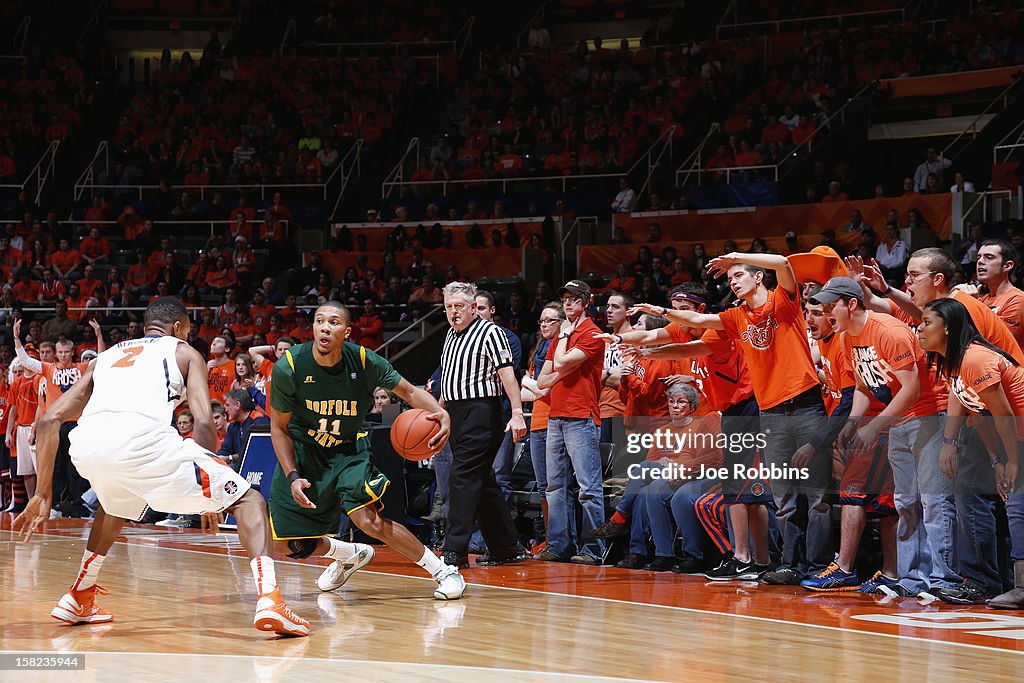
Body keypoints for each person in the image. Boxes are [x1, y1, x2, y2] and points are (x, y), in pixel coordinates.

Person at [13, 297, 309, 636]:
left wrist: (42, 494)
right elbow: (203, 422)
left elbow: (50, 420)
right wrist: (207, 470)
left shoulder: (106, 357)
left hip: (87, 446)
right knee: (249, 500)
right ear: (179, 327)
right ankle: (270, 599)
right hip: (141, 441)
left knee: (112, 506)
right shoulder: (184, 352)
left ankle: (80, 594)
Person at [630, 252, 829, 583]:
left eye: (739, 275)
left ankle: (819, 566)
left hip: (804, 403)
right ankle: (791, 566)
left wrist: (735, 256)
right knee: (784, 497)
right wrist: (660, 313)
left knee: (816, 496)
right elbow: (697, 327)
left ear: (758, 277)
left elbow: (782, 262)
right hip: (770, 410)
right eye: (730, 278)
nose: (733, 281)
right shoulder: (737, 317)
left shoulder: (784, 301)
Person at [266, 301, 466, 600]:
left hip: (348, 450)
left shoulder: (363, 360)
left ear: (346, 331)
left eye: (333, 322)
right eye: (320, 321)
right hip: (306, 452)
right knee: (284, 544)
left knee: (368, 520)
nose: (325, 327)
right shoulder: (290, 366)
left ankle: (444, 571)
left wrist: (441, 412)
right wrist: (292, 474)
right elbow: (279, 428)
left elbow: (409, 392)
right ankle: (349, 554)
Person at [916, 297, 1024, 609]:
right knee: (1012, 506)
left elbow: (1003, 414)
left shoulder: (975, 359)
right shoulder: (955, 363)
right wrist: (997, 460)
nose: (919, 329)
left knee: (1016, 508)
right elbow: (978, 413)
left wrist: (1013, 460)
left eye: (926, 323)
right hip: (1010, 441)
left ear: (947, 328)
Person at [439, 282, 529, 568]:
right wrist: (439, 413)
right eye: (449, 307)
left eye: (459, 306)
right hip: (455, 411)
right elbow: (449, 378)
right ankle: (505, 546)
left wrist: (517, 412)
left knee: (462, 477)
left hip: (481, 411)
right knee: (482, 481)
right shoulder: (450, 335)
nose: (454, 312)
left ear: (472, 306)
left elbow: (508, 376)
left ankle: (455, 550)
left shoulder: (490, 333)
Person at [535, 280, 607, 565]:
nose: (568, 303)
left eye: (574, 299)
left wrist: (564, 340)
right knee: (555, 487)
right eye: (564, 298)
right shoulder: (560, 337)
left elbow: (561, 364)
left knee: (588, 488)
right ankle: (559, 546)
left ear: (586, 302)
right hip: (556, 417)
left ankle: (594, 549)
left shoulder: (593, 334)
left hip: (581, 417)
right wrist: (562, 366)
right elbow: (542, 381)